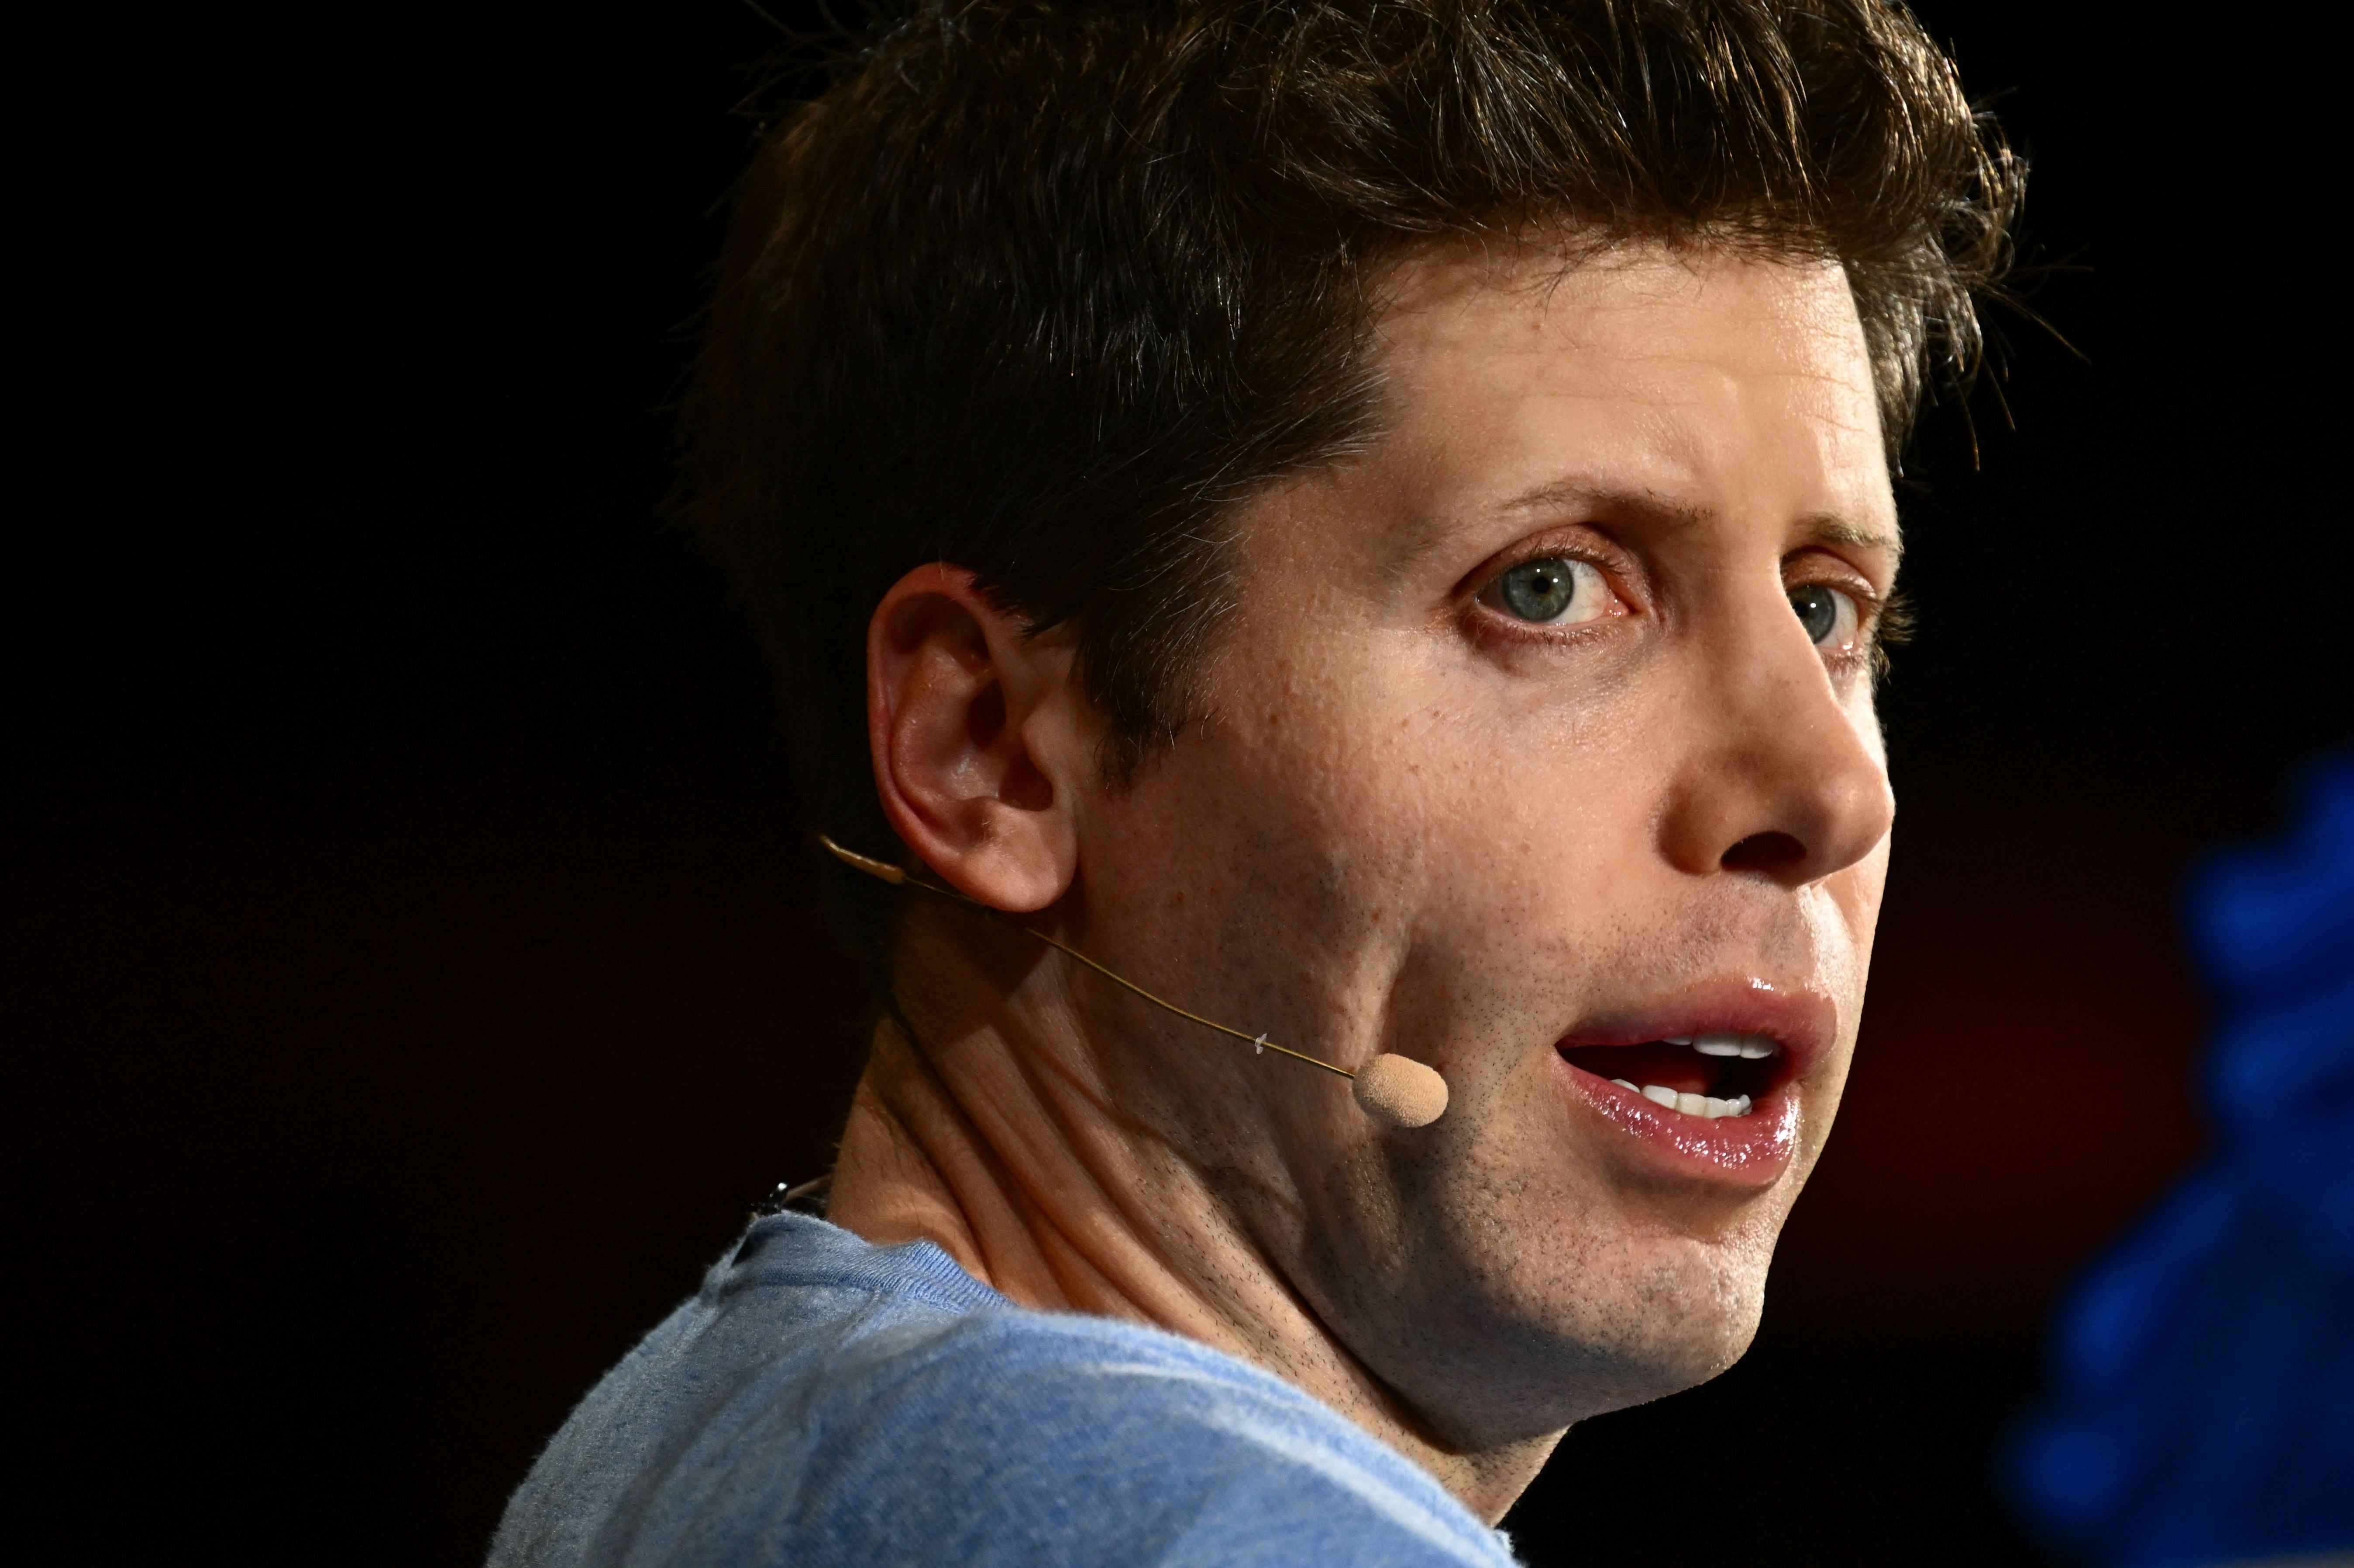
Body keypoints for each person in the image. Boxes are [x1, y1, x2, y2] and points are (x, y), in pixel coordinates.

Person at [489, 1, 2020, 1561]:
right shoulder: (1193, 1524)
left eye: (1828, 605)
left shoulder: (697, 1447)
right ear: (992, 752)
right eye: (1551, 587)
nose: (1833, 789)